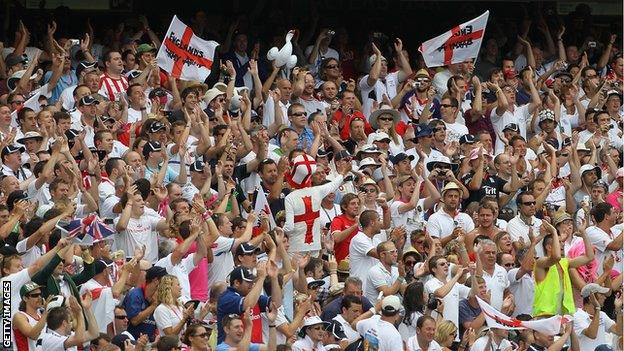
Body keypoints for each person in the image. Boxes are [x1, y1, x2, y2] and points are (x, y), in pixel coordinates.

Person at [573, 283, 623, 351]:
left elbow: (619, 331)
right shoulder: (577, 315)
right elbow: (592, 335)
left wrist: (618, 309)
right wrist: (597, 308)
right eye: (601, 294)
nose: (605, 297)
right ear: (591, 298)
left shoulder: (602, 314)